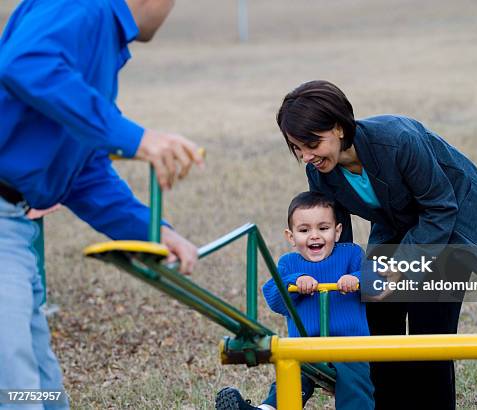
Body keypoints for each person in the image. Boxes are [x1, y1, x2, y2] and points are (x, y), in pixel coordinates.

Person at [0, 0, 203, 408]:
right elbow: (25, 62)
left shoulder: (102, 42)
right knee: (14, 386)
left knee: (41, 389)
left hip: (16, 224)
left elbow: (84, 170)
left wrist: (155, 231)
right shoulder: (81, 5)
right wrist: (135, 137)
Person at [275, 80, 477, 409]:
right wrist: (335, 285)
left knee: (428, 334)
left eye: (312, 144)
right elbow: (337, 238)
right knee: (375, 321)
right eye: (297, 148)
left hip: (455, 223)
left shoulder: (398, 140)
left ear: (337, 127)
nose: (306, 156)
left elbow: (441, 207)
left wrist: (401, 267)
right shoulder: (321, 172)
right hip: (400, 225)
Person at [216, 191, 374, 410]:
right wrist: (295, 283)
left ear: (337, 232)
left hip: (349, 345)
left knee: (355, 382)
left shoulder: (352, 255)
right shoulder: (289, 264)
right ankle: (267, 409)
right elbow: (273, 296)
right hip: (305, 345)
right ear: (291, 237)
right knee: (292, 374)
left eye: (323, 228)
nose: (314, 236)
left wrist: (356, 279)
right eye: (304, 230)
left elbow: (378, 283)